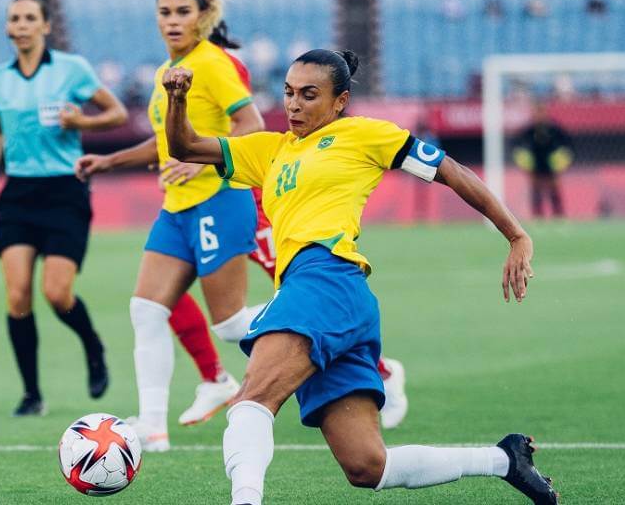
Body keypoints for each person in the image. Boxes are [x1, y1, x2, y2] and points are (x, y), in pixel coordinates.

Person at [161, 49, 557, 505]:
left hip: (325, 278)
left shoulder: (364, 135)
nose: (294, 104)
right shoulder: (269, 149)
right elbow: (185, 146)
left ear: (340, 101)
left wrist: (516, 234)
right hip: (330, 297)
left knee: (252, 399)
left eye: (309, 95)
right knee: (368, 466)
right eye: (288, 93)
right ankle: (504, 460)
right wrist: (177, 98)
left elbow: (451, 170)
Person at [76, 0, 266, 451]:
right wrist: (109, 160)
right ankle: (152, 427)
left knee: (230, 325)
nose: (173, 19)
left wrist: (203, 161)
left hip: (219, 200)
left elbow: (252, 125)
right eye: (165, 12)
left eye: (183, 11)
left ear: (203, 16)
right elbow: (165, 145)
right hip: (177, 209)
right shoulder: (166, 72)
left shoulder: (212, 64)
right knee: (145, 310)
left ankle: (318, 321)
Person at [0, 0, 129, 417]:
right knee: (17, 295)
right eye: (15, 18)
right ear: (8, 28)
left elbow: (116, 113)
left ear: (45, 26)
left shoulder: (72, 69)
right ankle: (31, 395)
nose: (21, 25)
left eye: (30, 18)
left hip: (65, 191)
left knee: (57, 293)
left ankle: (92, 344)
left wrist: (83, 121)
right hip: (19, 194)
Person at [513, 102, 573, 219]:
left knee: (554, 190)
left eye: (540, 112)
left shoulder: (555, 129)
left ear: (546, 113)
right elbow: (517, 146)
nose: (538, 115)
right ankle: (537, 216)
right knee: (536, 191)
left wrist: (564, 161)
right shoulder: (529, 130)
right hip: (535, 165)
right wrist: (523, 161)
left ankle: (559, 216)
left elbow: (568, 145)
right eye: (536, 112)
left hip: (552, 166)